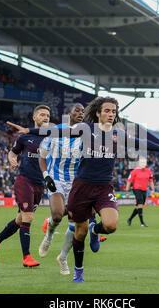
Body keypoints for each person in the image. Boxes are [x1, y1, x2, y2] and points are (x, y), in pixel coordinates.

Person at [7, 96, 159, 282]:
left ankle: (95, 231)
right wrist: (30, 131)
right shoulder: (86, 129)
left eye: (114, 111)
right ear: (98, 113)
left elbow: (138, 142)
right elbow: (59, 132)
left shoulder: (117, 134)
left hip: (104, 187)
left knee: (111, 225)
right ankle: (77, 270)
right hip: (81, 186)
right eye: (107, 110)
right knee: (77, 230)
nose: (111, 114)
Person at [37, 103, 107, 275]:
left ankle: (62, 257)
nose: (81, 114)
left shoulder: (86, 136)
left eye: (83, 112)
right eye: (77, 111)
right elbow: (42, 157)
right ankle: (49, 236)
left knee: (75, 224)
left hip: (77, 182)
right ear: (69, 113)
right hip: (56, 179)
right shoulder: (56, 131)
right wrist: (46, 176)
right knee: (57, 214)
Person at [0, 105, 51, 268]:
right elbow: (13, 152)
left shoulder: (51, 137)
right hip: (25, 181)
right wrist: (12, 158)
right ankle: (26, 257)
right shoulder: (24, 137)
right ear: (34, 118)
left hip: (40, 184)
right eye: (42, 115)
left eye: (48, 115)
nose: (45, 117)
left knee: (20, 219)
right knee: (28, 217)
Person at [125, 156, 154, 227]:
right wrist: (127, 192)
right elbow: (129, 182)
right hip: (136, 189)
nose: (143, 164)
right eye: (142, 162)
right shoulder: (134, 171)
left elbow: (151, 181)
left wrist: (152, 190)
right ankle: (142, 223)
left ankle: (129, 219)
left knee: (139, 206)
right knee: (140, 204)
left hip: (144, 190)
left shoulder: (148, 171)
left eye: (144, 162)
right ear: (139, 163)